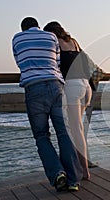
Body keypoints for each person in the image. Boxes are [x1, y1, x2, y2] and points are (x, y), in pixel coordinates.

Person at [12, 17, 82, 191]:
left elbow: (19, 62)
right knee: (64, 133)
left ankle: (57, 173)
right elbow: (57, 63)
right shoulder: (50, 37)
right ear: (37, 26)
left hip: (33, 89)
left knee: (42, 136)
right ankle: (73, 180)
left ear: (23, 29)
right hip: (55, 86)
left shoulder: (17, 38)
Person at [44, 21, 92, 181]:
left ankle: (84, 171)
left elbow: (54, 65)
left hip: (72, 86)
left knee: (75, 131)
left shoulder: (55, 42)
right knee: (76, 129)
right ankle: (78, 166)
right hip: (86, 86)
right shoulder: (74, 42)